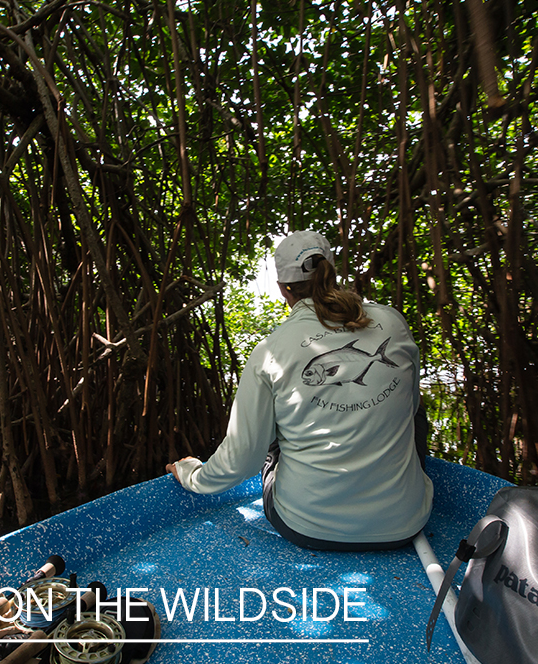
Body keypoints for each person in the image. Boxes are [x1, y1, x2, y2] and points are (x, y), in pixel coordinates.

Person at [166, 231, 433, 550]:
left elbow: (242, 462)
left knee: (271, 431)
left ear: (282, 288)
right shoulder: (391, 321)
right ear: (332, 272)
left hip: (305, 526)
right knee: (413, 409)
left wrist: (192, 474)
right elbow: (410, 402)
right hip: (406, 522)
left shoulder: (271, 351)